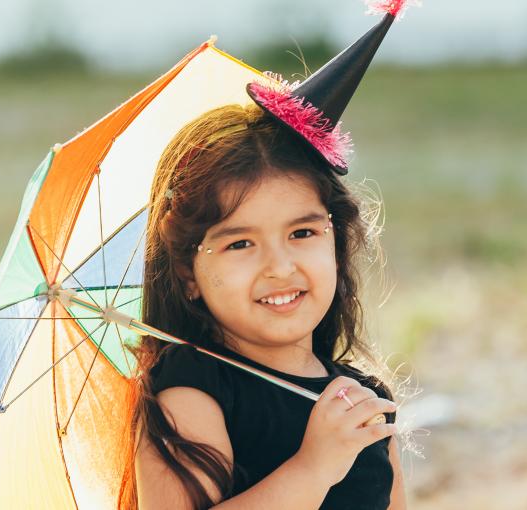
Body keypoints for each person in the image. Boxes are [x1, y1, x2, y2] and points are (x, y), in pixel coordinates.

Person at [119, 2, 420, 508]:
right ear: (186, 272)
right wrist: (312, 469)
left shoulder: (362, 401)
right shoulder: (191, 390)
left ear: (337, 243)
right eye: (240, 243)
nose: (280, 267)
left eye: (302, 233)